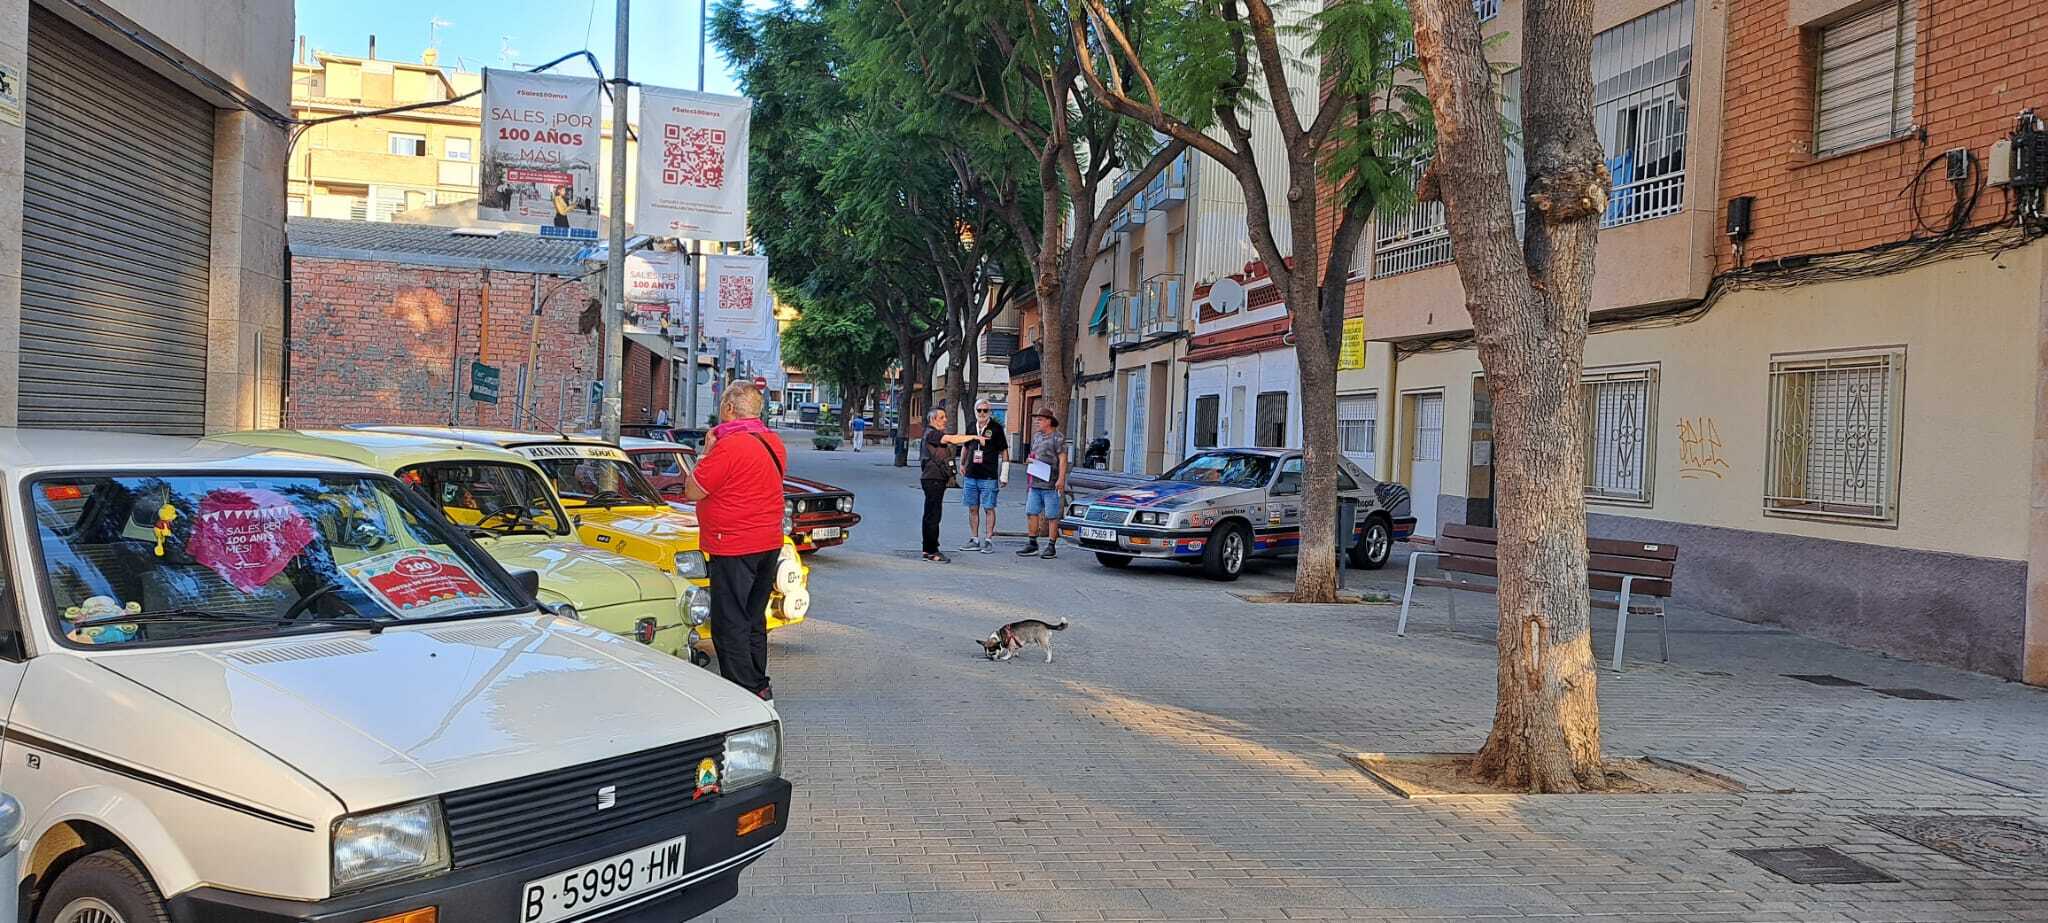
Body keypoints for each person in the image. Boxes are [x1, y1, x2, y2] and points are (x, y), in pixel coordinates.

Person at [684, 383, 787, 704]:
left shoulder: (729, 448)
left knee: (729, 624)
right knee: (753, 619)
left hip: (734, 545)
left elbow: (693, 490)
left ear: (729, 408)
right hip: (767, 543)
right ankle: (759, 685)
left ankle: (744, 692)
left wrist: (707, 451)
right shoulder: (773, 441)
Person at [920, 406, 984, 563]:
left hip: (935, 479)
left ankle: (929, 547)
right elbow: (951, 439)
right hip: (932, 479)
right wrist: (973, 437)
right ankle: (931, 550)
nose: (945, 420)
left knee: (932, 514)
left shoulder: (933, 434)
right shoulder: (932, 434)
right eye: (941, 417)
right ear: (932, 419)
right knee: (933, 516)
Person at [957, 400, 1009, 553]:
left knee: (989, 508)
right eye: (979, 410)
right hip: (971, 474)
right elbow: (966, 447)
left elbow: (1004, 451)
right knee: (973, 508)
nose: (982, 413)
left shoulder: (996, 428)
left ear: (989, 412)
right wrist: (962, 464)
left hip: (988, 476)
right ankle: (974, 539)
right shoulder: (972, 426)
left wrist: (1004, 475)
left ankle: (988, 540)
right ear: (975, 411)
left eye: (985, 411)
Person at [1017, 410, 1070, 559]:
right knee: (1031, 512)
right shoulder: (1037, 437)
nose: (1037, 422)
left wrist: (1061, 479)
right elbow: (1035, 454)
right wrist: (1030, 461)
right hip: (1036, 481)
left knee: (1052, 515)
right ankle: (1032, 542)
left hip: (1051, 483)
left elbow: (1063, 460)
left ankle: (1051, 545)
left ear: (1048, 421)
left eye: (1040, 419)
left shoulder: (1058, 438)